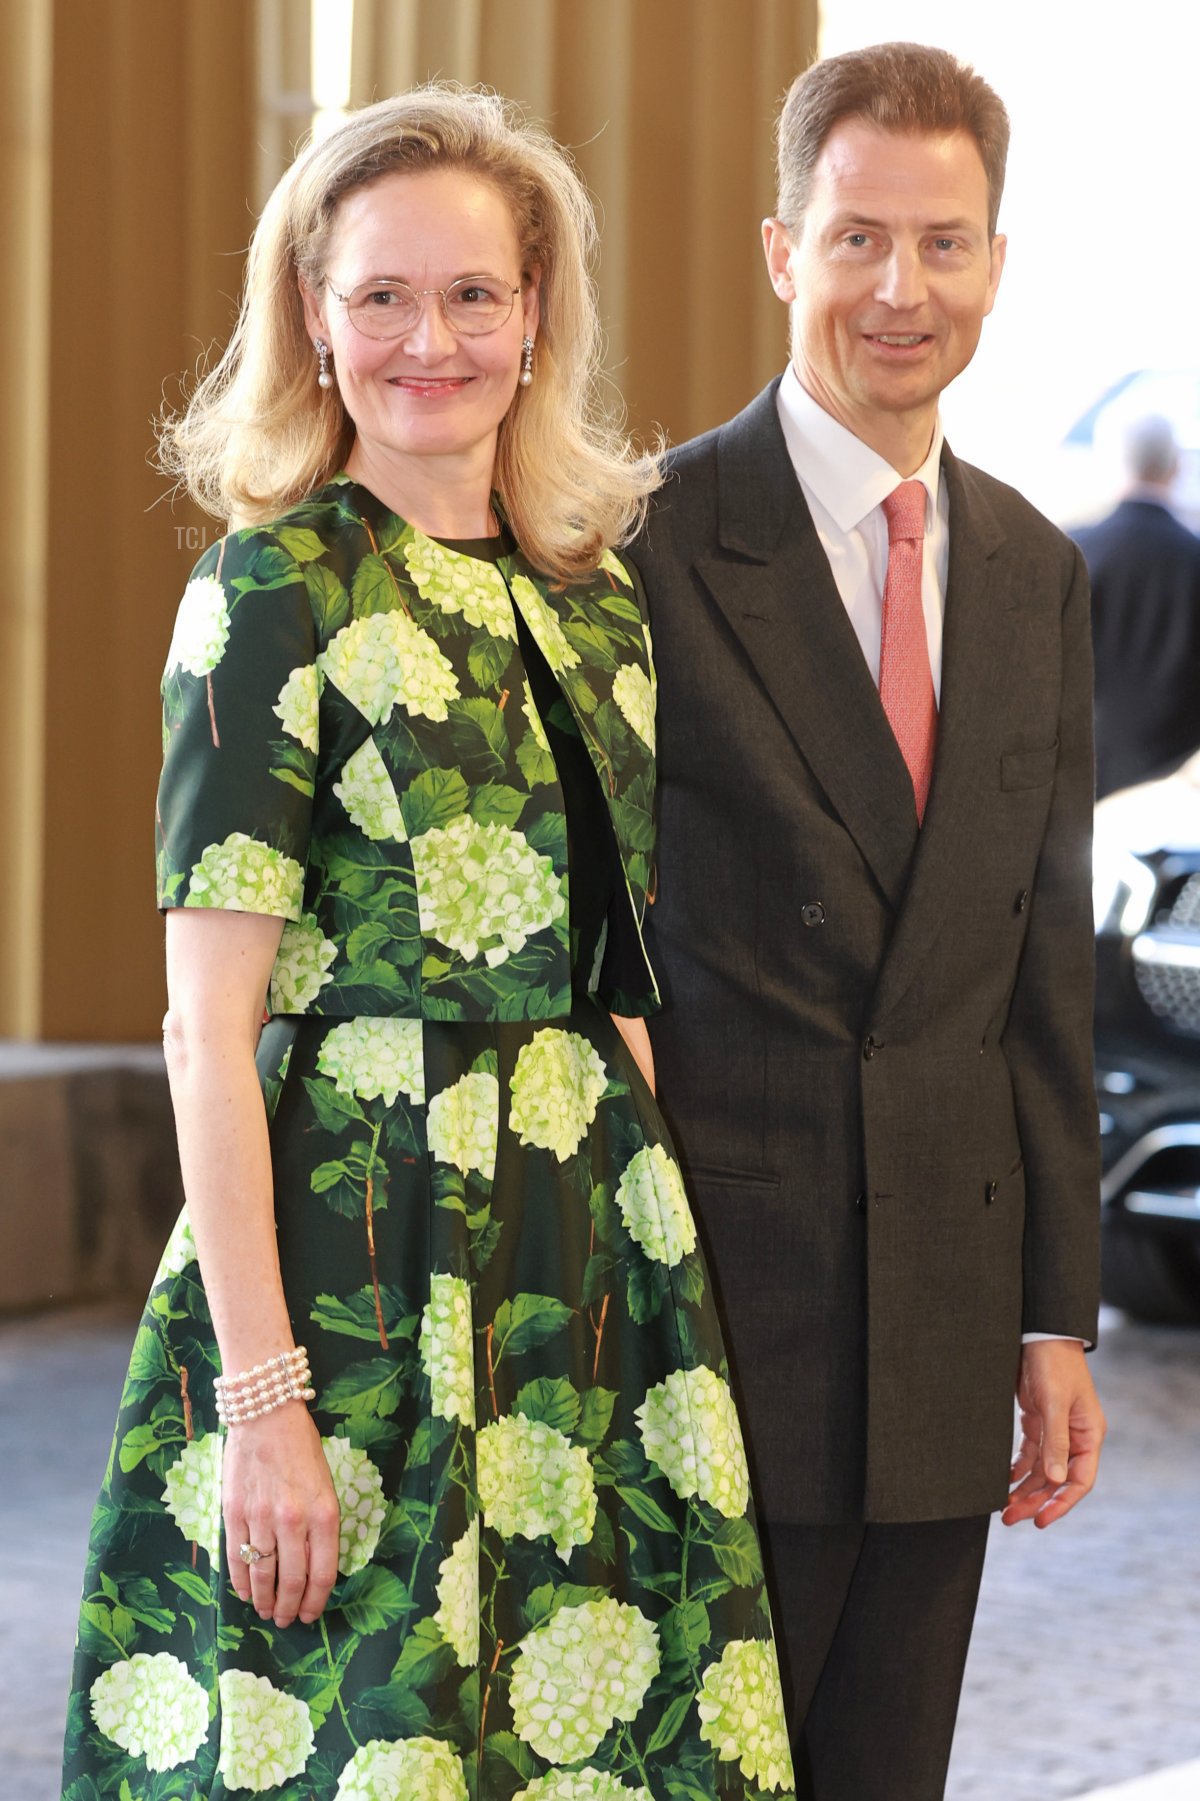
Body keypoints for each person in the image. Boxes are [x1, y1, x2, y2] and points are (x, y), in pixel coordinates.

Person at [61, 87, 794, 1800]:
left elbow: (622, 975)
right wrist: (262, 1399)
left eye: (473, 293)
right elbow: (204, 1029)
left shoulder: (596, 593)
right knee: (362, 1739)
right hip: (353, 1247)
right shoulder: (270, 590)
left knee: (591, 1734)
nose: (429, 339)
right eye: (379, 293)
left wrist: (655, 1297)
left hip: (580, 1249)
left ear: (539, 314)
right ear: (310, 315)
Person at [637, 41, 1106, 1801]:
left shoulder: (1034, 571)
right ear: (782, 251)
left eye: (944, 243)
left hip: (937, 1307)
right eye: (857, 240)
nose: (900, 290)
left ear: (993, 263)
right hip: (716, 1316)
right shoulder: (648, 546)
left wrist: (1050, 1318)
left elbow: (1034, 976)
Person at [1072, 413, 1200, 798]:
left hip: (1084, 770)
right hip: (1175, 776)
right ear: (1175, 467)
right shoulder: (1193, 558)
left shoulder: (1072, 553)